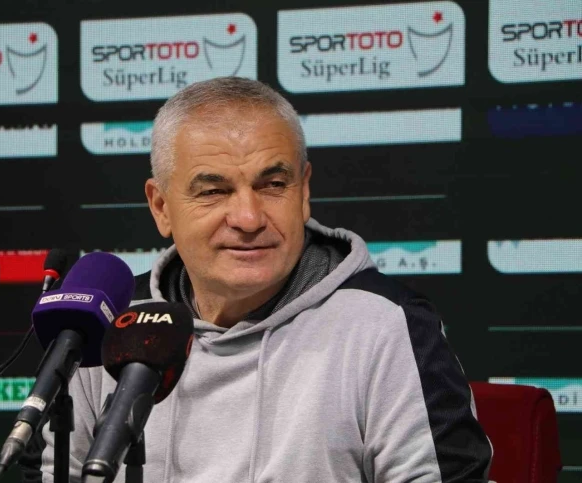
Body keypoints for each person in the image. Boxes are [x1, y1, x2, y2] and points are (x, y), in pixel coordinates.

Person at [28, 77, 492, 482]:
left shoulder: (386, 325)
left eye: (273, 185)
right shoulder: (109, 323)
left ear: (304, 191)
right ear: (161, 207)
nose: (249, 218)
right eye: (214, 191)